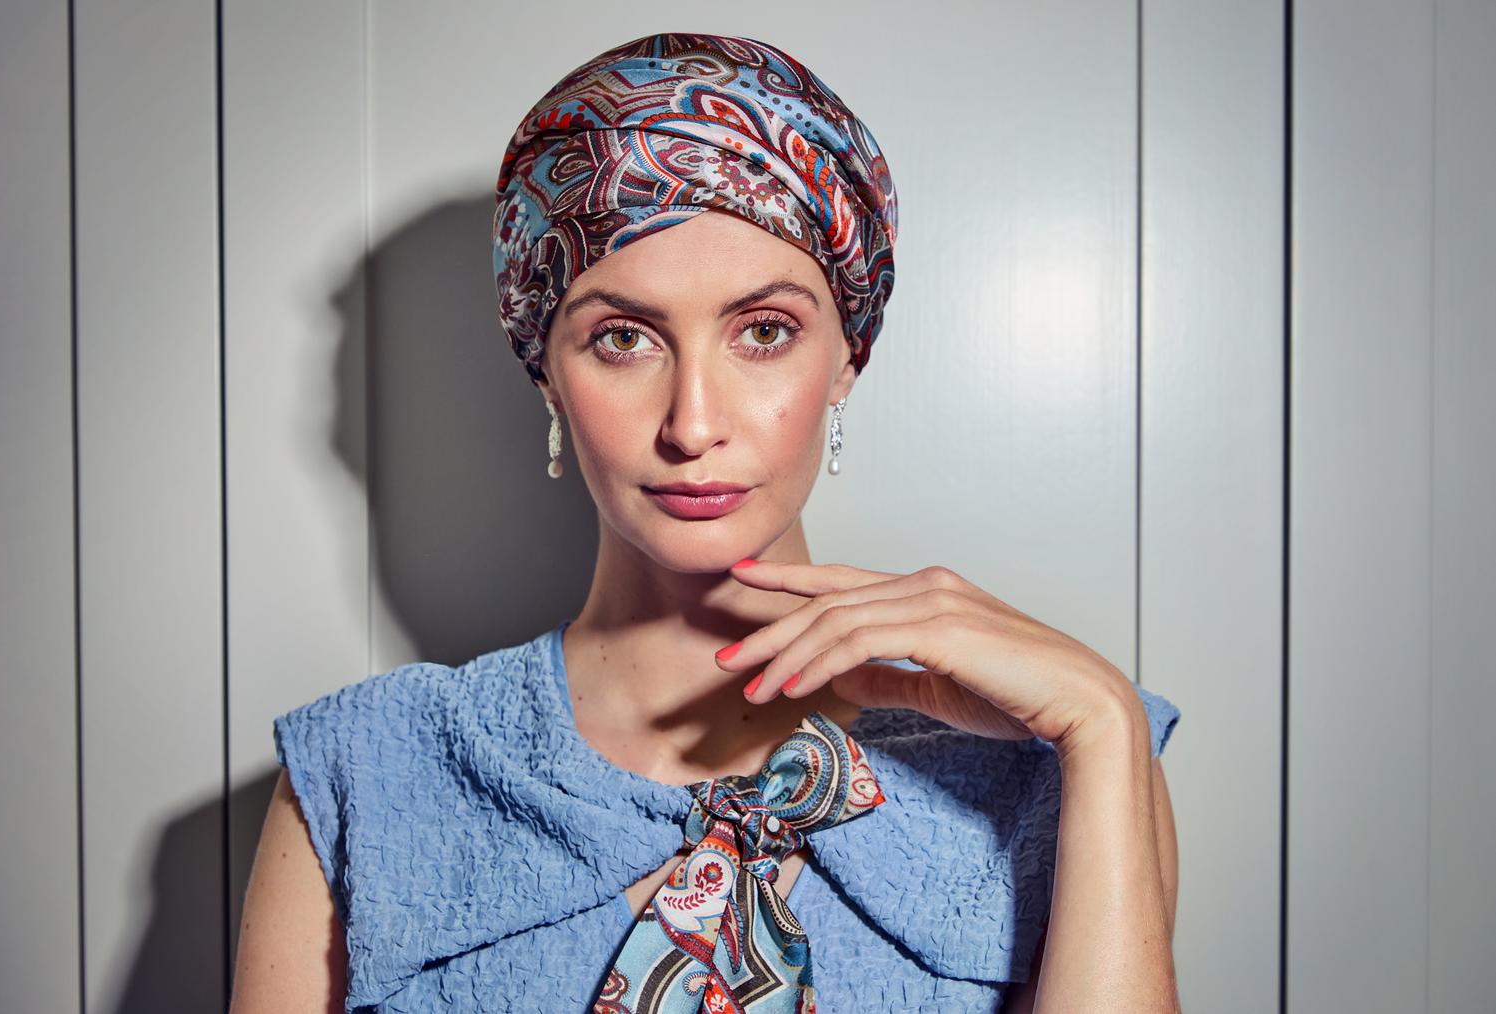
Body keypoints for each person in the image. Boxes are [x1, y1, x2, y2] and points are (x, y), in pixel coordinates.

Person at [231, 32, 1182, 1013]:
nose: (692, 425)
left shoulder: (1062, 766)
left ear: (847, 359)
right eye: (623, 338)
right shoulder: (364, 772)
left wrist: (1101, 723)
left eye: (763, 331)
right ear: (546, 375)